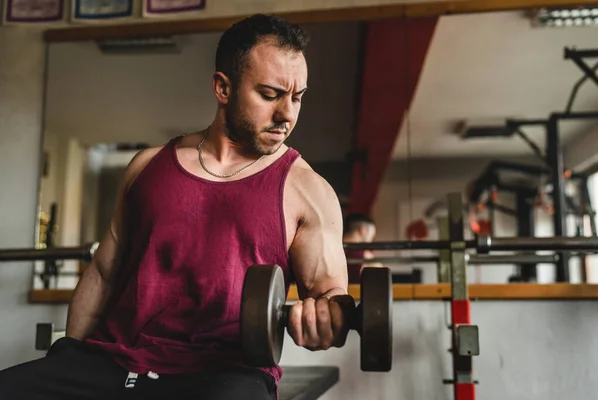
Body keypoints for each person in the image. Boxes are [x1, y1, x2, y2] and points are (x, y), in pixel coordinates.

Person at [0, 14, 355, 400]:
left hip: (222, 376)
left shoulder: (308, 191)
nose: (287, 114)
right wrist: (70, 351)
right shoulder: (146, 167)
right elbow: (103, 273)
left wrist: (324, 321)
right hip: (111, 363)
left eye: (297, 97)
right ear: (223, 87)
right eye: (270, 94)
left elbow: (329, 296)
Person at [343, 213, 383, 283]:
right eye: (372, 234)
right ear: (362, 229)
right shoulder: (366, 256)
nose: (372, 238)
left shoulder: (332, 249)